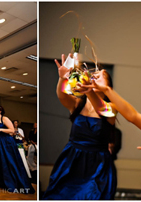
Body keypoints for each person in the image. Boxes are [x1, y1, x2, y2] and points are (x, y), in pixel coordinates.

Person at [43, 54, 116, 199]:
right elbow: (62, 95)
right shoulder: (78, 104)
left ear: (107, 86)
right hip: (72, 159)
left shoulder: (112, 107)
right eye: (94, 74)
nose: (95, 75)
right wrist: (63, 78)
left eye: (100, 76)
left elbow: (102, 109)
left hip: (97, 164)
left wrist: (88, 91)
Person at [0, 104, 35, 194]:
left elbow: (12, 130)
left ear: (0, 111)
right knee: (1, 162)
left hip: (6, 142)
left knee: (9, 161)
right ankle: (4, 181)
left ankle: (15, 182)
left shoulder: (4, 119)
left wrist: (0, 130)